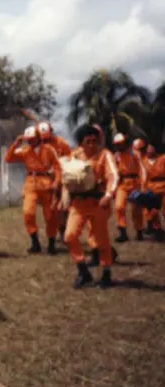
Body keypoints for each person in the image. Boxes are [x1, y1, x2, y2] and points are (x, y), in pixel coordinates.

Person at [61, 124, 119, 289]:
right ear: (81, 143)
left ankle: (106, 273)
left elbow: (114, 176)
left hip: (98, 203)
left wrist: (108, 195)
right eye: (88, 141)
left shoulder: (105, 155)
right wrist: (64, 197)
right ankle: (83, 271)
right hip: (79, 204)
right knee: (69, 236)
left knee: (101, 240)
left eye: (95, 141)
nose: (92, 145)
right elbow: (66, 177)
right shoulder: (74, 156)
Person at [4, 126, 62, 254]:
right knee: (28, 213)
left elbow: (58, 167)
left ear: (38, 138)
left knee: (50, 216)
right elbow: (8, 159)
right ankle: (35, 243)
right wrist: (16, 144)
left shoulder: (49, 149)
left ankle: (51, 244)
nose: (30, 141)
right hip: (31, 183)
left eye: (32, 139)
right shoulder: (25, 150)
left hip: (47, 184)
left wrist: (57, 182)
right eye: (28, 139)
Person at [112, 133, 146, 242]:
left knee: (137, 209)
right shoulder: (116, 156)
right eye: (117, 144)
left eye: (121, 143)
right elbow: (113, 171)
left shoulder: (135, 154)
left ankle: (139, 231)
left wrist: (143, 184)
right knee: (119, 207)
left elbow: (142, 169)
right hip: (122, 184)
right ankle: (122, 232)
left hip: (135, 183)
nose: (119, 146)